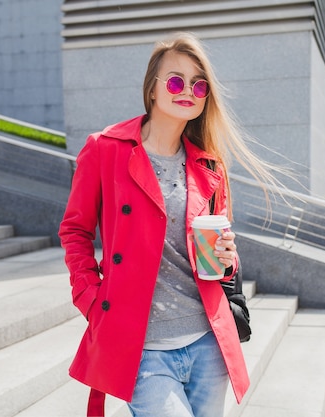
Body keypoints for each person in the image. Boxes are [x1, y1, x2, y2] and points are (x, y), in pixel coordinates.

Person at [59, 32, 284, 417]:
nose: (188, 91)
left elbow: (219, 254)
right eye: (176, 81)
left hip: (206, 343)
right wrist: (92, 300)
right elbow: (75, 231)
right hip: (143, 349)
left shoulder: (209, 165)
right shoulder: (105, 149)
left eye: (199, 84)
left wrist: (225, 255)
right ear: (153, 89)